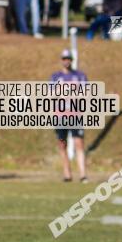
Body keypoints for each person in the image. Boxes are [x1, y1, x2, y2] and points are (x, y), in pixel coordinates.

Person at [50, 50, 89, 182]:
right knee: (62, 144)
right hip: (60, 116)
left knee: (79, 144)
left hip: (75, 115)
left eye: (68, 58)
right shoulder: (56, 77)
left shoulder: (80, 76)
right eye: (64, 58)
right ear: (61, 60)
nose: (66, 60)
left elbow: (85, 94)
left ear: (71, 60)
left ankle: (83, 174)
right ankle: (67, 174)